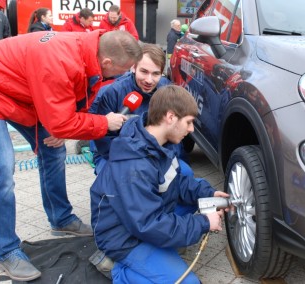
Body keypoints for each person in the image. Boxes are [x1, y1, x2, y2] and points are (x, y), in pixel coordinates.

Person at [0, 30, 142, 281]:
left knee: (54, 149)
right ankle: (6, 251)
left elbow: (75, 101)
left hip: (24, 93)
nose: (124, 76)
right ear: (107, 63)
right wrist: (101, 122)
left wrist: (65, 126)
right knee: (1, 170)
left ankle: (60, 218)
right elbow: (62, 120)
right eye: (123, 70)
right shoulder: (58, 62)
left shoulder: (88, 50)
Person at [90, 85, 229, 283]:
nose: (191, 129)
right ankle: (121, 271)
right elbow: (148, 224)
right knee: (188, 282)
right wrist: (204, 223)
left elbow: (178, 182)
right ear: (170, 117)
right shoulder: (134, 168)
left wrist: (209, 193)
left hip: (144, 218)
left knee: (198, 191)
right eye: (189, 122)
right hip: (123, 237)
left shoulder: (162, 143)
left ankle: (158, 253)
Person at [91, 43, 172, 175]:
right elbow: (103, 142)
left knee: (184, 173)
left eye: (156, 74)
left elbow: (174, 137)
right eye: (144, 71)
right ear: (133, 67)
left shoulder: (167, 92)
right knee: (126, 180)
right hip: (114, 156)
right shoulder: (113, 92)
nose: (149, 80)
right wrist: (137, 160)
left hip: (154, 155)